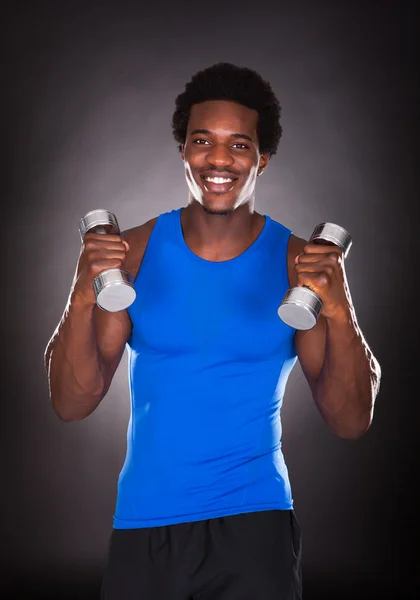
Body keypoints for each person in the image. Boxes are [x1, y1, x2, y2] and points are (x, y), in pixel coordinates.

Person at [44, 62, 381, 599]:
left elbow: (349, 420)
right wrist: (82, 290)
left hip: (255, 527)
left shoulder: (300, 265)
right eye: (202, 140)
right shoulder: (131, 253)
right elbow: (71, 401)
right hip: (145, 522)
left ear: (262, 159)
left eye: (240, 145)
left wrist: (341, 309)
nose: (218, 159)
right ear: (183, 149)